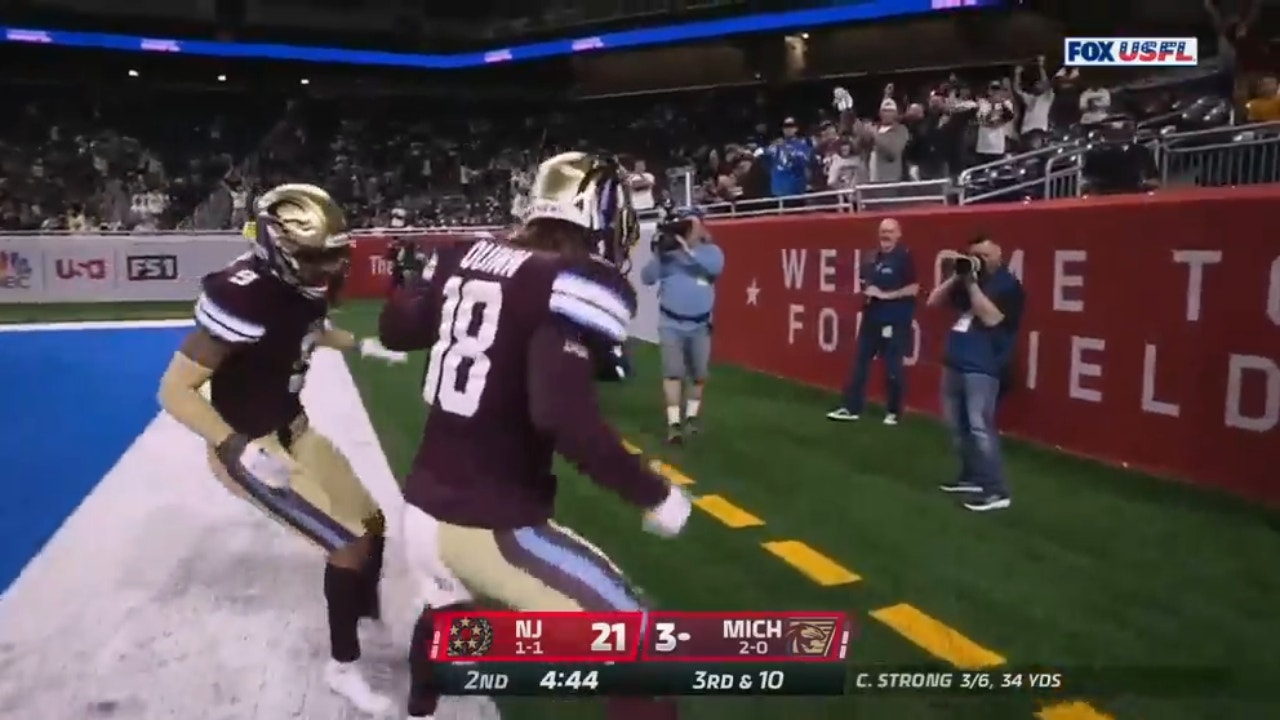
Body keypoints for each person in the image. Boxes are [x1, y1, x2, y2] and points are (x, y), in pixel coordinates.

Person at [378, 152, 689, 720]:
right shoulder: (566, 282)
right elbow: (562, 418)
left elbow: (396, 330)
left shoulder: (469, 255)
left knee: (450, 608)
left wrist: (419, 284)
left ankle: (420, 708)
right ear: (603, 214)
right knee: (640, 649)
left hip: (422, 505)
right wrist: (653, 493)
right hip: (484, 523)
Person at [155, 183, 411, 715]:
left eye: (333, 255)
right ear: (278, 247)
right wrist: (236, 446)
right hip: (250, 447)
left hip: (294, 427)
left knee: (374, 521)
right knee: (348, 545)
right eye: (316, 257)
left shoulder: (301, 287)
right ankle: (341, 666)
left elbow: (306, 331)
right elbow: (174, 390)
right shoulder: (242, 292)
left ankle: (361, 613)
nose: (328, 268)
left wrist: (359, 345)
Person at [926, 235, 1024, 513]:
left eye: (984, 255)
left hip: (984, 366)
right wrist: (958, 276)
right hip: (955, 362)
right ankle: (972, 476)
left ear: (998, 256)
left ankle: (996, 490)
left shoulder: (1009, 286)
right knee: (957, 426)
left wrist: (971, 285)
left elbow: (991, 317)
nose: (979, 260)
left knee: (980, 426)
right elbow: (933, 300)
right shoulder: (969, 280)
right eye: (974, 255)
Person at [640, 206, 724, 443]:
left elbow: (714, 270)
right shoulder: (668, 255)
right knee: (673, 372)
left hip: (700, 325)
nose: (688, 229)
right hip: (671, 323)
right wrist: (659, 254)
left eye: (692, 223)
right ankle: (674, 423)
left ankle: (691, 418)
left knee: (698, 374)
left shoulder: (711, 252)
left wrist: (688, 252)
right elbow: (647, 278)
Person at [827, 218, 917, 425]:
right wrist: (867, 292)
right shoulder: (872, 257)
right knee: (860, 363)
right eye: (883, 231)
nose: (885, 234)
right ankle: (852, 407)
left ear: (898, 234)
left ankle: (894, 411)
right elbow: (866, 284)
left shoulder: (904, 257)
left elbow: (913, 288)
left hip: (895, 320)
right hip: (871, 318)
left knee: (893, 367)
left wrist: (886, 295)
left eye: (890, 231)